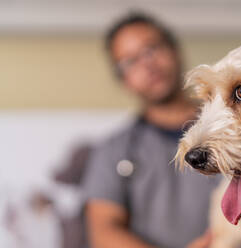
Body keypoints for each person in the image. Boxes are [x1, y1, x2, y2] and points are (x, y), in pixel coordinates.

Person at [82, 13, 220, 248]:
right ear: (123, 80)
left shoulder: (236, 130)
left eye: (152, 49)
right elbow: (104, 232)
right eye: (130, 62)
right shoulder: (113, 152)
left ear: (175, 50)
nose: (148, 65)